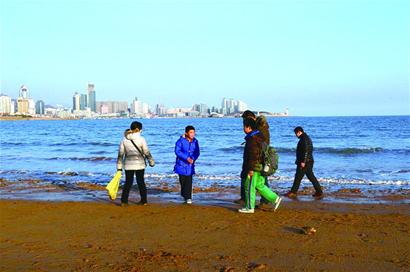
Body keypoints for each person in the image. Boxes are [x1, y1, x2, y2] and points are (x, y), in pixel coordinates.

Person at [238, 118, 281, 213]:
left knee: (249, 186)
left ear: (248, 127)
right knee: (259, 185)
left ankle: (249, 207)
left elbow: (254, 155)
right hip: (260, 166)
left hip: (255, 167)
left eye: (244, 126)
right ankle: (275, 198)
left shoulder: (252, 139)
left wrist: (251, 169)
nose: (243, 128)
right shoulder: (258, 136)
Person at [235, 110, 271, 208]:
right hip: (255, 156)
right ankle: (245, 198)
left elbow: (261, 145)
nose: (244, 123)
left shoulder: (259, 129)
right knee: (251, 178)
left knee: (261, 181)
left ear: (250, 118)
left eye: (245, 120)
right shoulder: (258, 128)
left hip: (258, 157)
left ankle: (265, 200)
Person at [117, 121, 155, 206]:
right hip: (140, 164)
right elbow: (146, 152)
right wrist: (151, 162)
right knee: (141, 182)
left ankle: (124, 201)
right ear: (139, 129)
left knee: (128, 183)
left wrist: (119, 167)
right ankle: (144, 201)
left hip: (128, 164)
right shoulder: (141, 139)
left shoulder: (124, 139)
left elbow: (120, 154)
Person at [285, 126, 323, 199]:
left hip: (305, 162)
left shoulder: (304, 139)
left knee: (299, 177)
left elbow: (306, 151)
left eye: (296, 133)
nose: (296, 135)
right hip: (308, 161)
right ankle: (319, 191)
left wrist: (303, 161)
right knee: (309, 177)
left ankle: (293, 192)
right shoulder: (306, 138)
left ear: (299, 132)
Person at [174, 125, 200, 204]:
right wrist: (186, 158)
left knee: (189, 181)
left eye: (193, 132)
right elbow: (177, 151)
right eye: (191, 132)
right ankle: (184, 194)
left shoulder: (195, 141)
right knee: (182, 181)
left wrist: (193, 158)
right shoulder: (180, 141)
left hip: (190, 165)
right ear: (186, 133)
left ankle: (188, 197)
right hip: (181, 164)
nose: (192, 134)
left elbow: (197, 152)